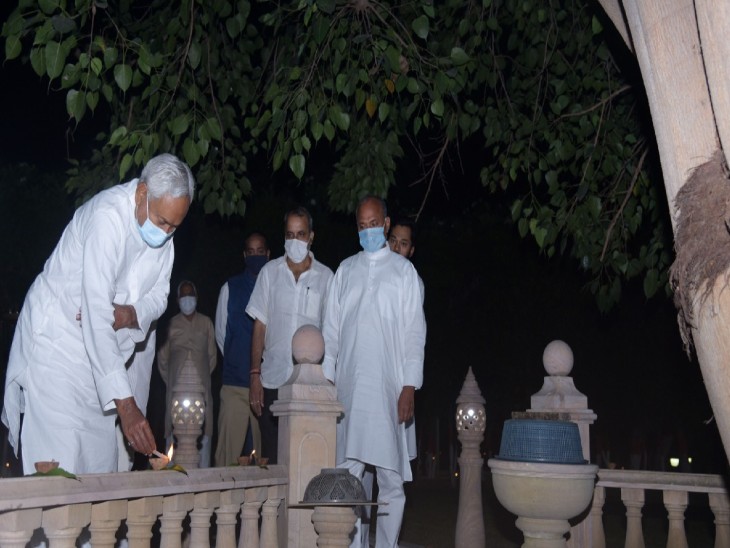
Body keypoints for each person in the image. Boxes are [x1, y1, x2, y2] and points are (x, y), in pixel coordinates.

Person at [1, 153, 194, 475]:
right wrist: (126, 405)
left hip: (103, 369)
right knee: (60, 467)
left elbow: (159, 298)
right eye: (163, 222)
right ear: (143, 193)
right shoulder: (106, 218)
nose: (167, 232)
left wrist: (131, 314)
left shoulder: (165, 239)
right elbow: (94, 314)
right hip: (57, 352)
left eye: (175, 226)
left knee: (99, 472)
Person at [322, 196, 426, 548]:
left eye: (373, 224)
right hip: (349, 391)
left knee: (390, 479)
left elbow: (414, 333)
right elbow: (331, 332)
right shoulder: (345, 270)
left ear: (385, 223)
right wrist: (327, 383)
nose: (368, 230)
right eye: (361, 225)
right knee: (347, 475)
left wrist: (409, 386)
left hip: (388, 390)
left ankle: (385, 545)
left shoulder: (404, 273)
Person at [246, 207, 333, 463]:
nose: (295, 241)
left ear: (311, 237)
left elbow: (331, 331)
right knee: (272, 457)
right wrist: (254, 376)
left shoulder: (326, 277)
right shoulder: (269, 274)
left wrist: (330, 380)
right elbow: (259, 326)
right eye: (290, 234)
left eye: (301, 234)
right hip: (272, 380)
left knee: (306, 456)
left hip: (309, 385)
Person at [213, 232, 269, 466]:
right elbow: (220, 334)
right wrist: (238, 363)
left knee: (263, 456)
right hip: (235, 383)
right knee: (229, 454)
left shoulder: (276, 287)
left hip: (267, 387)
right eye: (251, 252)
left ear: (268, 254)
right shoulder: (230, 288)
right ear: (244, 255)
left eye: (260, 252)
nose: (255, 256)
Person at [158, 280, 217, 467]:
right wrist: (173, 380)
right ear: (178, 300)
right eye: (183, 295)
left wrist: (202, 377)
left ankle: (204, 481)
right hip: (177, 391)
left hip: (200, 390)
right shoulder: (171, 324)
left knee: (204, 435)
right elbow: (162, 359)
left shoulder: (206, 323)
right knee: (174, 437)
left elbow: (212, 357)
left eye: (190, 294)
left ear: (196, 298)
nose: (187, 299)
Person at [388, 218, 424, 301]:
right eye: (393, 241)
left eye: (403, 244)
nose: (396, 248)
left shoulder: (414, 283)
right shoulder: (371, 269)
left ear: (411, 251)